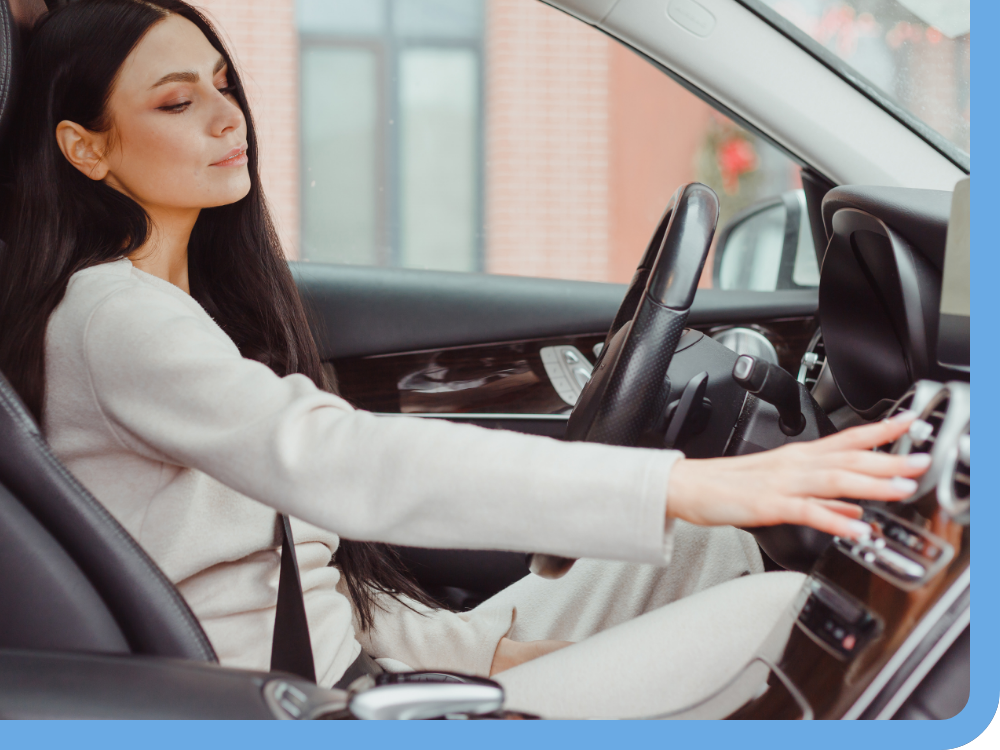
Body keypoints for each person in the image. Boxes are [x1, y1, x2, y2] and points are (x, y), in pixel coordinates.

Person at [0, 0, 929, 719]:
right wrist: (688, 481)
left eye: (218, 81)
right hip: (322, 709)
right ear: (86, 150)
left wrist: (479, 652)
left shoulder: (174, 306)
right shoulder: (112, 315)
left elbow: (298, 584)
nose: (225, 115)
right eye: (176, 101)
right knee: (792, 615)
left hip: (372, 669)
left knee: (706, 551)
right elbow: (340, 463)